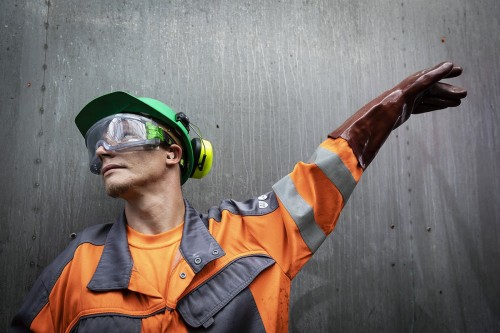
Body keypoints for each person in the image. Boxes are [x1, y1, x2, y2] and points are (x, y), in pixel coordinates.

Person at [10, 62, 466, 332]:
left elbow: (323, 175)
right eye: (97, 141)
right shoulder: (76, 265)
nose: (105, 148)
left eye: (123, 132)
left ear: (174, 152)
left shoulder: (255, 233)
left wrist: (390, 109)